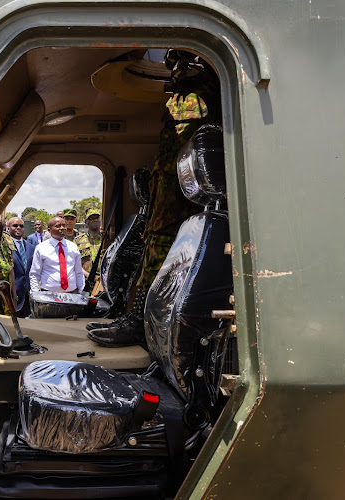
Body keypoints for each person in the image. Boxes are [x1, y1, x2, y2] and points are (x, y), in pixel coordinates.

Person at [87, 51, 218, 347]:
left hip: (178, 207)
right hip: (166, 204)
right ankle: (135, 319)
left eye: (179, 64)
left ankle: (140, 325)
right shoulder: (184, 101)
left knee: (161, 259)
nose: (174, 72)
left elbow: (184, 139)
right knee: (153, 256)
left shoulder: (196, 98)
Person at [29, 216, 85, 293]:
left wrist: (82, 291)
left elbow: (79, 273)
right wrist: (35, 294)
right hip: (48, 296)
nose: (62, 228)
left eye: (64, 225)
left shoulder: (73, 247)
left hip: (72, 295)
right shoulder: (41, 248)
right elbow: (35, 274)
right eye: (58, 226)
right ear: (49, 230)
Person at [0, 217, 37, 317]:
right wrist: (13, 296)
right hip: (11, 297)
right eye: (15, 225)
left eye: (21, 226)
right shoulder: (3, 246)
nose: (18, 228)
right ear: (8, 228)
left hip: (28, 297)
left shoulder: (31, 247)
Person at [74, 208, 103, 279]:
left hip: (104, 281)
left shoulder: (107, 239)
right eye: (91, 218)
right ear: (86, 222)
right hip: (85, 279)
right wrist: (88, 275)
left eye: (97, 218)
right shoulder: (78, 241)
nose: (95, 220)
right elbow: (74, 262)